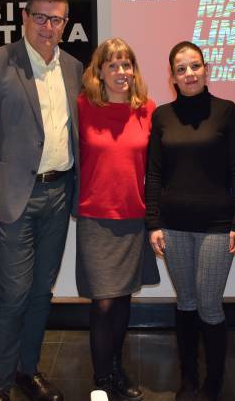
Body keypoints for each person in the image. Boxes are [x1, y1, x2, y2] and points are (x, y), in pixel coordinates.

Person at [0, 0, 83, 401]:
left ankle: (28, 372)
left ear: (66, 23)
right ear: (25, 18)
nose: (49, 27)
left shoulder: (74, 68)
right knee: (13, 295)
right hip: (12, 200)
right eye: (42, 18)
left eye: (57, 19)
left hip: (59, 194)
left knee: (42, 293)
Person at [145, 41, 235, 401]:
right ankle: (188, 379)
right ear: (172, 76)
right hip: (172, 224)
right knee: (186, 302)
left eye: (195, 66)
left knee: (208, 304)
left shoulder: (226, 111)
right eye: (181, 68)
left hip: (217, 226)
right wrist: (153, 223)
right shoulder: (161, 116)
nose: (189, 73)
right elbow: (154, 174)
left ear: (207, 70)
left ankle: (213, 383)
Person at [76, 38, 159, 401]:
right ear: (99, 72)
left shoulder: (148, 110)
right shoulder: (83, 107)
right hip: (95, 216)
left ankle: (116, 369)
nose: (121, 72)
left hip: (133, 216)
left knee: (123, 299)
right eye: (112, 65)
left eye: (126, 64)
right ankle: (102, 378)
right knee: (104, 302)